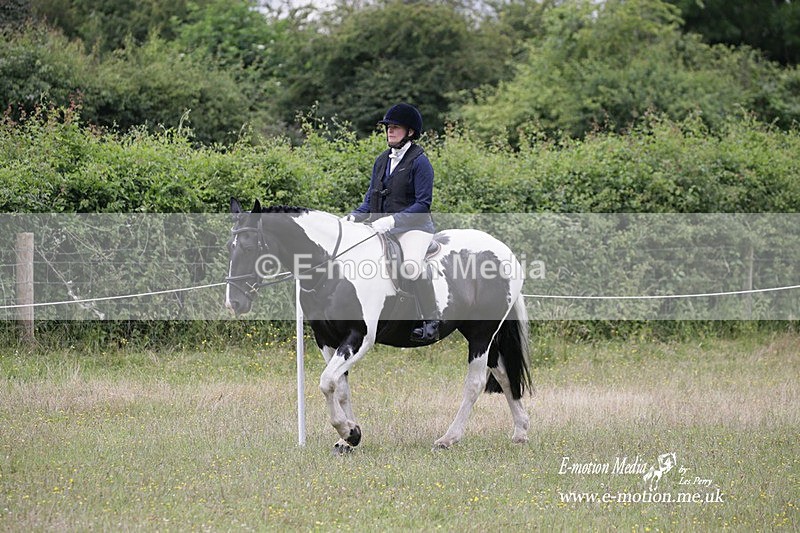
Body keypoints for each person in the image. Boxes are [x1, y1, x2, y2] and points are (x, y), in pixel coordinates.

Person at [343, 103, 440, 342]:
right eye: (388, 127)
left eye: (395, 127)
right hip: (381, 229)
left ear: (410, 132)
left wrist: (392, 221)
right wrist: (352, 217)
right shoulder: (382, 160)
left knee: (411, 266)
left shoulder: (420, 162)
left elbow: (423, 204)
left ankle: (431, 320)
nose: (390, 131)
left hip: (414, 229)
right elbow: (370, 199)